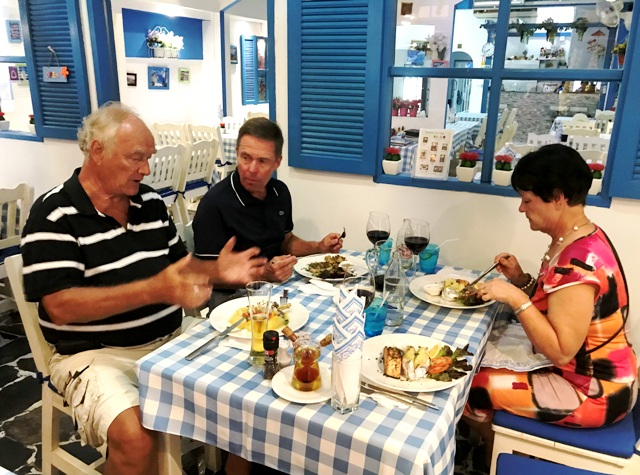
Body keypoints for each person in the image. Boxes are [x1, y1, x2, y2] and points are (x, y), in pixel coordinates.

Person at [20, 102, 266, 475]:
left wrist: (217, 270)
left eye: (148, 157)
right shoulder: (54, 214)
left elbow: (181, 266)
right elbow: (61, 306)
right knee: (136, 439)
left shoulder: (149, 201)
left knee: (249, 382)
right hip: (95, 355)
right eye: (136, 158)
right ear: (97, 150)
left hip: (170, 339)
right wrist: (155, 290)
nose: (146, 169)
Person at [464, 144, 637, 462]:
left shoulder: (578, 263)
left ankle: (497, 456)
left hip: (594, 392)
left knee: (469, 384)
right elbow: (557, 309)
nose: (521, 209)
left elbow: (560, 351)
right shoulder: (581, 238)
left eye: (527, 200)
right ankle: (500, 448)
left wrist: (515, 296)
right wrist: (520, 279)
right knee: (476, 359)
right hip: (591, 376)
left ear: (557, 198)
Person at [193, 117, 343, 303]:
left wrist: (318, 247)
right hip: (232, 296)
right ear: (236, 153)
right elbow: (205, 275)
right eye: (245, 158)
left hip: (275, 285)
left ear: (277, 162)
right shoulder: (214, 204)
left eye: (262, 161)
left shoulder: (279, 192)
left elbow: (286, 241)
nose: (251, 169)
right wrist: (262, 274)